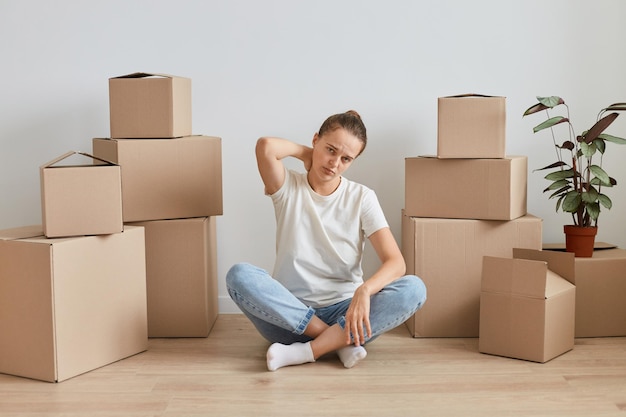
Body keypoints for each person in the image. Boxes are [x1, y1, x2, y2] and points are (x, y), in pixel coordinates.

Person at [226, 110, 427, 371]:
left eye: (346, 158)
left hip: (347, 316)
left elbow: (396, 263)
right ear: (315, 140)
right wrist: (306, 155)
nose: (335, 163)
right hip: (289, 317)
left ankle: (307, 351)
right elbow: (265, 146)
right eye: (330, 150)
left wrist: (364, 291)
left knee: (414, 288)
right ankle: (336, 343)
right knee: (239, 275)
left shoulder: (362, 197)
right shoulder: (287, 187)